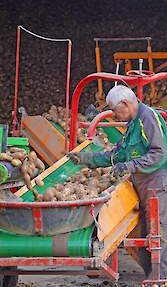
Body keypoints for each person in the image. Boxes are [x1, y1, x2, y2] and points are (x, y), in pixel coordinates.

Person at [69, 85, 167, 280]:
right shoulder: (132, 124)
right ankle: (153, 278)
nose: (114, 115)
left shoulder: (148, 119)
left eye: (114, 110)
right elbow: (117, 155)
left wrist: (131, 166)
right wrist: (86, 159)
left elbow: (159, 153)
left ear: (125, 103)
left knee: (159, 233)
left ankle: (160, 279)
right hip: (144, 184)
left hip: (157, 184)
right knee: (148, 234)